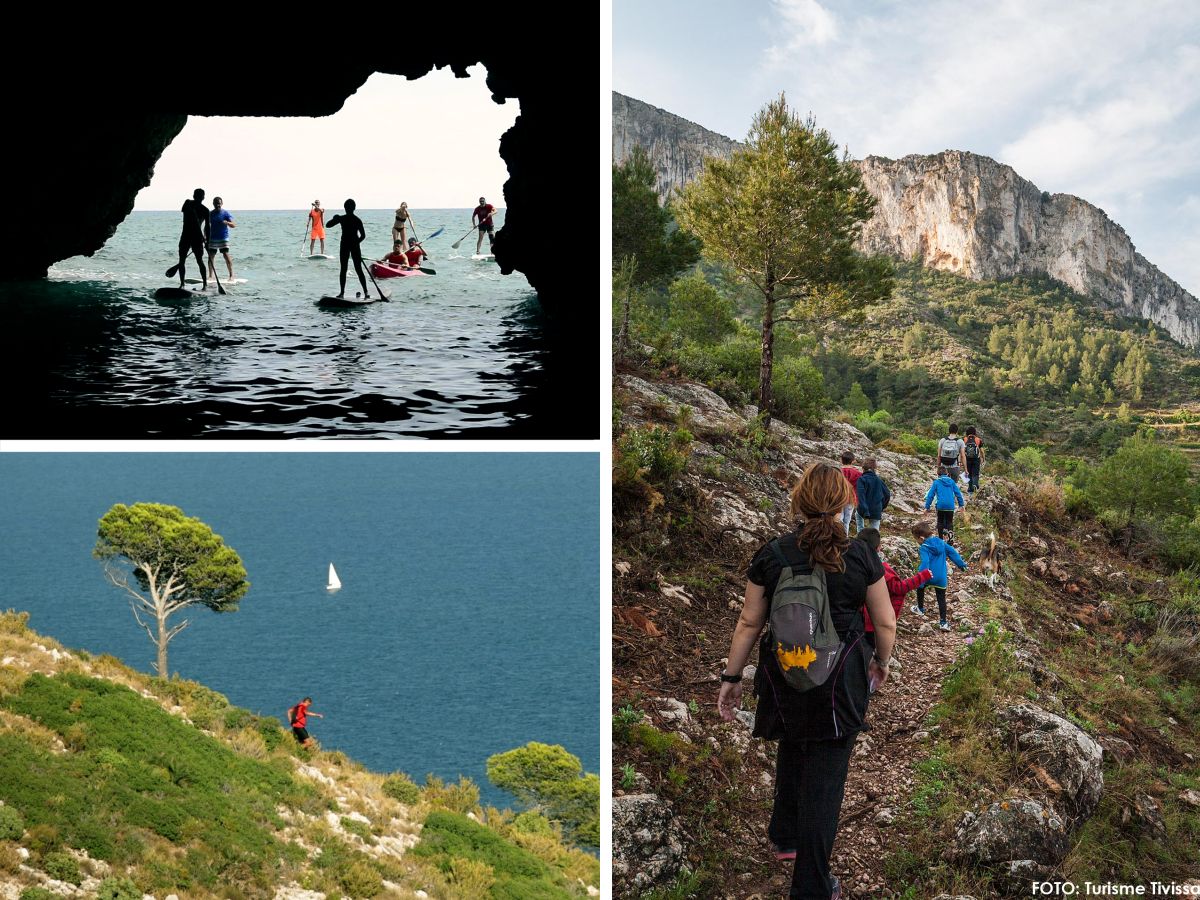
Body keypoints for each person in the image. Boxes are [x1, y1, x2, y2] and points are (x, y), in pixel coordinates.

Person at [717, 461, 894, 900]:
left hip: (784, 674)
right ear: (843, 504)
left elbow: (748, 622)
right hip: (840, 684)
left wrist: (732, 676)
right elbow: (885, 623)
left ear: (799, 501)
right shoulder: (859, 555)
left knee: (794, 742)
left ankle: (786, 835)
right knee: (825, 779)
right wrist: (882, 663)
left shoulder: (773, 553)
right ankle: (812, 887)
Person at [856, 528, 931, 648]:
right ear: (879, 548)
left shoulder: (855, 568)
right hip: (874, 622)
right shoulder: (881, 571)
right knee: (873, 654)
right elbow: (899, 588)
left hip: (856, 621)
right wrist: (922, 576)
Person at [912, 521, 967, 631]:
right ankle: (943, 623)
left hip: (928, 576)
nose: (917, 542)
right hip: (941, 578)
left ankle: (920, 609)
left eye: (916, 539)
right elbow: (952, 553)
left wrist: (921, 577)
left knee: (920, 588)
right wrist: (962, 565)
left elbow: (925, 562)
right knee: (941, 598)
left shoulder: (924, 547)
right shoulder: (942, 543)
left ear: (921, 538)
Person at [325, 199, 371, 299]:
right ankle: (366, 292)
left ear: (345, 208)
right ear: (354, 208)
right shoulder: (356, 220)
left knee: (344, 269)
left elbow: (328, 225)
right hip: (352, 245)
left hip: (346, 245)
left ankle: (342, 293)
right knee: (357, 269)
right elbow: (363, 236)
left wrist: (334, 218)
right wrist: (356, 243)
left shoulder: (343, 218)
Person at [171, 188, 209, 290]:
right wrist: (192, 210)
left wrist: (207, 241)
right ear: (194, 196)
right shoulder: (187, 203)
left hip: (197, 237)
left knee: (199, 260)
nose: (197, 198)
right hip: (186, 236)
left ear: (203, 198)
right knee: (182, 260)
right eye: (197, 196)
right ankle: (182, 284)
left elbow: (207, 227)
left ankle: (205, 284)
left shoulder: (205, 210)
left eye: (199, 196)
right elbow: (184, 211)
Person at [924, 464, 965, 543]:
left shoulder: (936, 482)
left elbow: (930, 495)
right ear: (947, 474)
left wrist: (927, 507)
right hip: (950, 506)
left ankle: (940, 539)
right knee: (950, 522)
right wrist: (961, 505)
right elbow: (958, 493)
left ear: (938, 474)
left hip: (941, 506)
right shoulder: (952, 482)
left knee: (940, 522)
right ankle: (950, 540)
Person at [855, 458, 891, 531]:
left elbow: (861, 495)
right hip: (876, 509)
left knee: (858, 516)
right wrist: (882, 506)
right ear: (874, 468)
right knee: (874, 530)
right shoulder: (879, 480)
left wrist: (864, 508)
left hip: (863, 509)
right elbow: (887, 494)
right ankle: (874, 541)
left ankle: (860, 537)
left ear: (863, 468)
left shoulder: (861, 479)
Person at [207, 197, 236, 281]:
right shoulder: (210, 213)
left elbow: (233, 225)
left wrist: (227, 222)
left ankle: (231, 276)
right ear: (213, 204)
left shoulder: (225, 213)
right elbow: (207, 226)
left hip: (223, 237)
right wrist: (205, 236)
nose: (217, 205)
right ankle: (210, 276)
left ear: (222, 203)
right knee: (211, 256)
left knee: (226, 255)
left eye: (219, 203)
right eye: (216, 203)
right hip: (212, 238)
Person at [840, 451, 862, 536]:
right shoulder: (858, 474)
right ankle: (845, 537)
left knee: (839, 519)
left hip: (839, 498)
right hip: (851, 498)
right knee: (847, 520)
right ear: (853, 461)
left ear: (841, 460)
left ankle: (839, 536)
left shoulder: (838, 471)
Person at [963, 426, 985, 495]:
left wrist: (960, 460)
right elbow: (982, 451)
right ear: (974, 432)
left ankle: (970, 490)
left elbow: (962, 451)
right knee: (975, 474)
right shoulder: (978, 440)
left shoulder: (964, 439)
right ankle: (975, 485)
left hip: (967, 459)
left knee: (968, 474)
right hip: (976, 459)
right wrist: (983, 458)